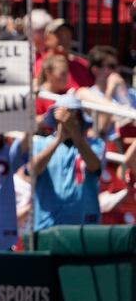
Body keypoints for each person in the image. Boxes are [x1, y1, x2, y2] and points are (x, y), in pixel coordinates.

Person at [31, 95, 104, 231]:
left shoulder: (95, 145)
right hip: (48, 226)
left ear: (81, 119)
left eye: (73, 117)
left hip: (84, 227)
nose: (68, 121)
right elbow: (33, 170)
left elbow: (95, 166)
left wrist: (75, 133)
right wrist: (58, 140)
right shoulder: (40, 143)